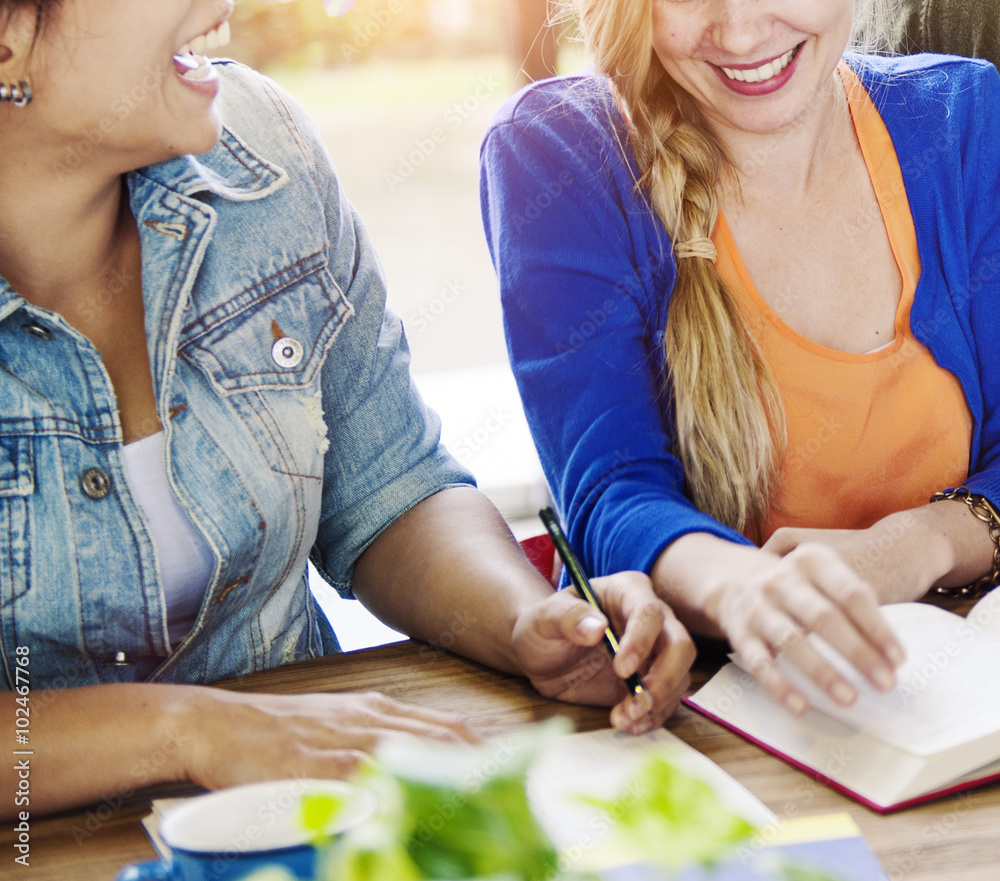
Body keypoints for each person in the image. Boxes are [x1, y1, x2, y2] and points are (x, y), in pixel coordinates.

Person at [0, 0, 697, 819]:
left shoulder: (261, 149)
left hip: (313, 819)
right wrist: (191, 729)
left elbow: (392, 489)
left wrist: (528, 621)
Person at [480, 0, 1000, 716]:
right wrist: (743, 588)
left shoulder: (967, 119)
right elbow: (611, 492)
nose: (742, 32)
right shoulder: (557, 155)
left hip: (958, 700)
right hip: (706, 715)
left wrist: (917, 544)